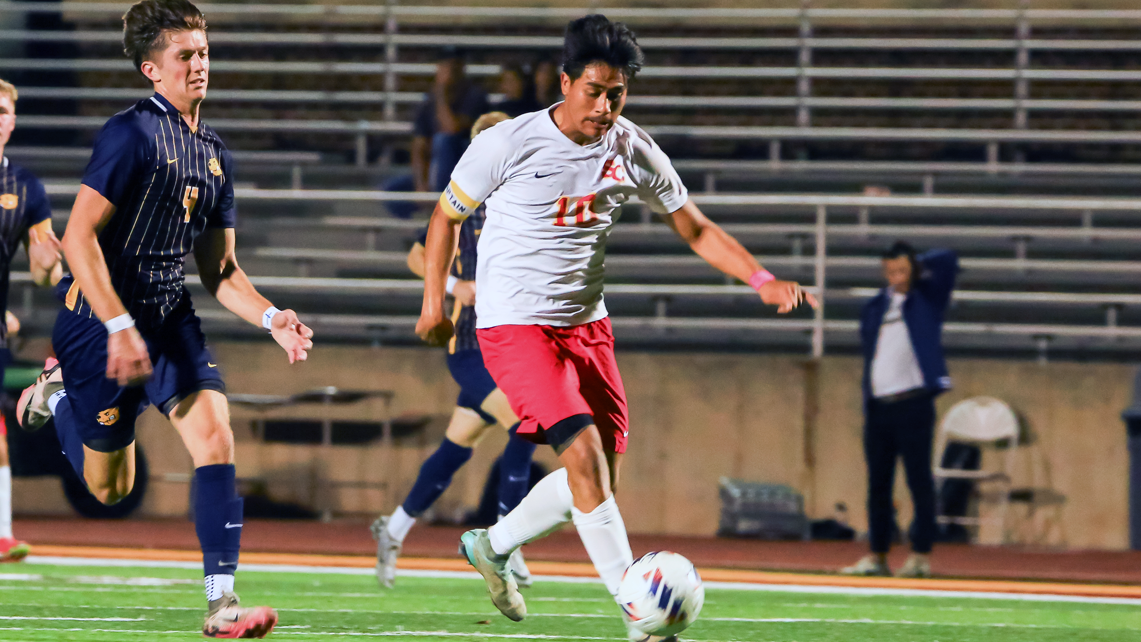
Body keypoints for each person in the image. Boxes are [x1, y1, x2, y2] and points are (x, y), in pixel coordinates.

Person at [415, 15, 815, 641]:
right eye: (594, 91)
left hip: (587, 327)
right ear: (566, 82)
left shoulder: (630, 147)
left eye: (617, 94)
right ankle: (640, 615)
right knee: (584, 460)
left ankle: (492, 546)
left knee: (596, 482)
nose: (604, 107)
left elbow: (696, 227)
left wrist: (760, 279)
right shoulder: (509, 143)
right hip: (514, 324)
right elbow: (444, 220)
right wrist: (434, 306)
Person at [15, 1, 312, 637]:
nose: (199, 63)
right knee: (109, 489)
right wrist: (118, 325)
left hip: (171, 315)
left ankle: (221, 604)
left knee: (215, 436)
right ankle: (61, 392)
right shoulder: (131, 133)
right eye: (185, 55)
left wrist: (270, 318)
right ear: (152, 69)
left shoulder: (213, 154)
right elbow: (77, 238)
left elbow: (222, 272)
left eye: (204, 51)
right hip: (98, 323)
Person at [371, 111, 537, 590]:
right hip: (471, 347)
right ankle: (508, 543)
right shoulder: (468, 202)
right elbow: (417, 255)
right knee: (526, 427)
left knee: (456, 446)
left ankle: (394, 528)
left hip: (508, 345)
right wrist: (454, 285)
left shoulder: (522, 201)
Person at [841, 241, 958, 579]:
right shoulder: (876, 306)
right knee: (878, 484)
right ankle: (877, 554)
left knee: (919, 481)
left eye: (903, 271)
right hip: (879, 406)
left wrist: (917, 263)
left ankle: (920, 555)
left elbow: (948, 259)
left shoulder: (927, 299)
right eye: (891, 271)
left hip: (914, 403)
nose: (897, 277)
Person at [0, 78, 65, 563]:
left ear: (13, 120)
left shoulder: (24, 188)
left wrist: (47, 261)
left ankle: (2, 533)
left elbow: (46, 274)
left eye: (3, 110)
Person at [382, 47, 489, 219]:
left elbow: (452, 128)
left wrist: (441, 95)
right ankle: (424, 226)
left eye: (454, 66)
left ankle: (444, 211)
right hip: (434, 172)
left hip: (464, 172)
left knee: (444, 141)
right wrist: (421, 186)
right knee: (392, 191)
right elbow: (419, 146)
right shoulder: (428, 102)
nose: (449, 71)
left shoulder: (475, 97)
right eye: (445, 65)